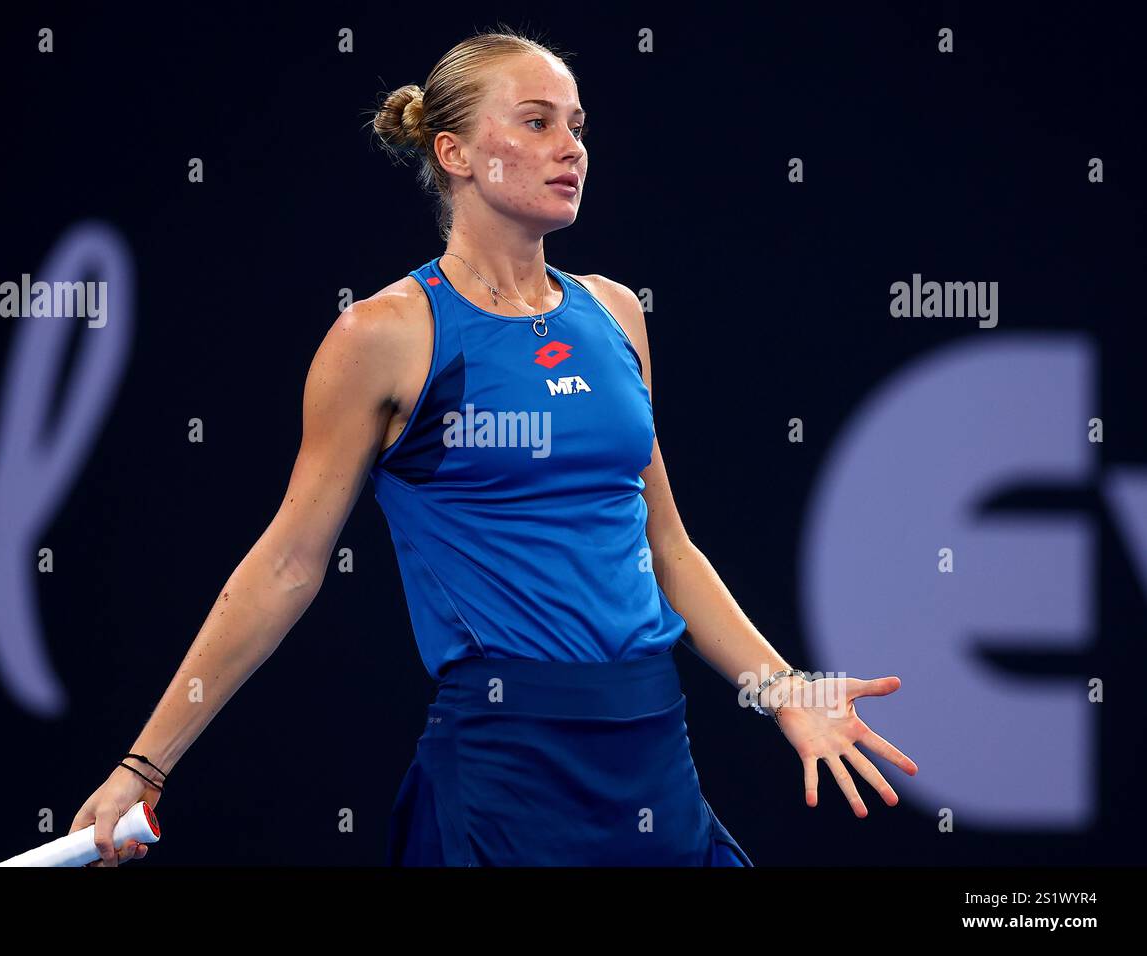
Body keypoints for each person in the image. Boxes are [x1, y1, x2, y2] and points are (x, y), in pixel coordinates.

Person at [70, 26, 918, 867]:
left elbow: (668, 549)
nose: (571, 148)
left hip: (655, 753)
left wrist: (783, 692)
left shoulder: (616, 312)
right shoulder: (385, 335)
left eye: (577, 126)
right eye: (538, 122)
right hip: (506, 769)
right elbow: (288, 563)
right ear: (456, 153)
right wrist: (144, 765)